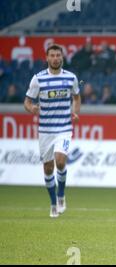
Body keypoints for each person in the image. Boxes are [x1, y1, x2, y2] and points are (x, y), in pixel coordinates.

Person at [23, 44, 81, 218]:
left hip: (63, 127)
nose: (55, 58)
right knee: (48, 168)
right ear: (47, 58)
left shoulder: (71, 77)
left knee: (61, 161)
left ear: (62, 57)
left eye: (58, 55)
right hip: (45, 130)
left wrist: (75, 111)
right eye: (52, 55)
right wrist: (31, 108)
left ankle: (61, 195)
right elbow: (27, 101)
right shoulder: (38, 79)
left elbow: (76, 97)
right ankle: (53, 203)